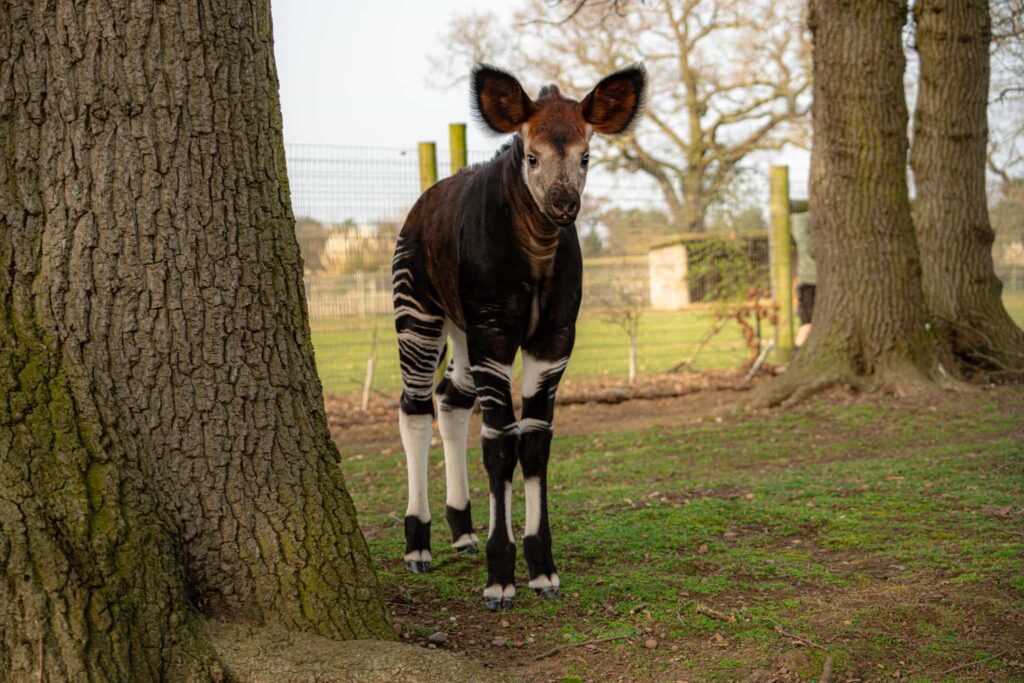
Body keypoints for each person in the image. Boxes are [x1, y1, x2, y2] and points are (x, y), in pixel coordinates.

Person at [790, 212, 816, 349]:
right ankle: (796, 357)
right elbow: (809, 248)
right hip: (809, 285)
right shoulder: (803, 223)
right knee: (807, 325)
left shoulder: (802, 224)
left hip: (811, 283)